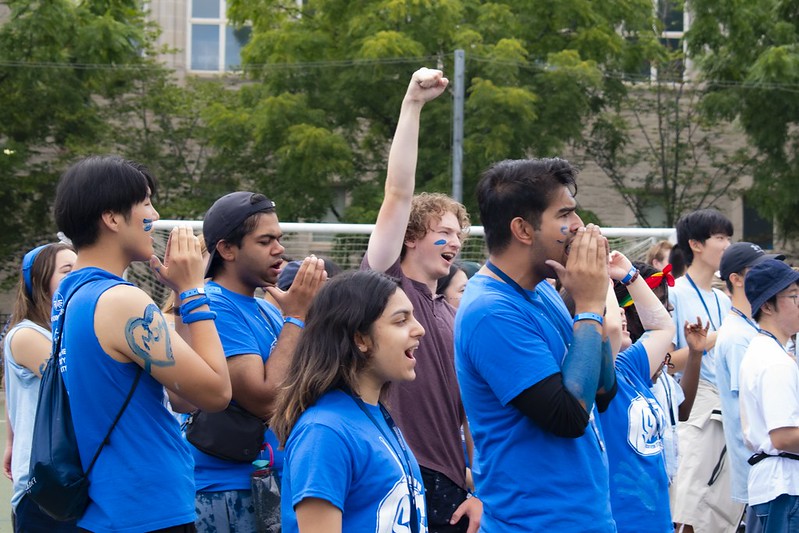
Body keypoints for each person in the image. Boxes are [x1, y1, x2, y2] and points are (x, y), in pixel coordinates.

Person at [53, 155, 232, 532]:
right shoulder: (121, 300)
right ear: (113, 218)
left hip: (108, 506)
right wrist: (194, 290)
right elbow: (217, 392)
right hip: (147, 508)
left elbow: (185, 397)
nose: (155, 213)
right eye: (146, 202)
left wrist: (180, 302)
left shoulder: (70, 296)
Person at [455, 158, 617, 531]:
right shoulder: (489, 311)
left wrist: (584, 302)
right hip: (534, 524)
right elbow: (569, 416)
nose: (578, 227)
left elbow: (605, 391)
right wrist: (591, 307)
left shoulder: (544, 289)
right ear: (523, 230)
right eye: (565, 214)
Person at [362, 68, 480, 533]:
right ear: (410, 237)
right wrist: (412, 104)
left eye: (460, 235)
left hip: (453, 484)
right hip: (396, 473)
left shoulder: (453, 313)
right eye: (443, 233)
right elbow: (398, 193)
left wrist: (479, 487)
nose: (454, 242)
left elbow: (471, 411)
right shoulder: (386, 284)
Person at [191, 191, 326, 532]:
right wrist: (296, 315)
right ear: (227, 249)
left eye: (279, 239)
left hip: (272, 483)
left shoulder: (266, 306)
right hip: (226, 491)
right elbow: (264, 397)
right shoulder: (213, 304)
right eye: (265, 241)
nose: (279, 249)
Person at [274, 270, 428, 532]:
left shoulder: (374, 413)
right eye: (401, 321)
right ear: (360, 339)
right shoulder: (324, 431)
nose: (420, 330)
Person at [667, 208, 741, 533]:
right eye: (720, 237)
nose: (727, 245)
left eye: (729, 237)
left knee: (718, 511)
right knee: (687, 506)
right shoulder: (674, 293)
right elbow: (666, 361)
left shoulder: (724, 301)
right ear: (696, 244)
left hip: (723, 408)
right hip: (692, 408)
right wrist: (712, 339)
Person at [3, 242, 77, 532]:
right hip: (48, 485)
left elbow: (14, 395)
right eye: (67, 270)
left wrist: (11, 442)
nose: (77, 276)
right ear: (41, 284)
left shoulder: (60, 331)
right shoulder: (26, 335)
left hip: (69, 479)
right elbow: (75, 384)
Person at [716, 242, 784, 532]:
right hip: (763, 472)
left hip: (772, 472)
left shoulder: (750, 328)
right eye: (758, 268)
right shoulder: (737, 336)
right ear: (737, 279)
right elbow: (764, 405)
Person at [739, 259, 799, 532]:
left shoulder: (767, 351)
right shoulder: (775, 360)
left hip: (776, 485)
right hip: (784, 488)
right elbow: (783, 436)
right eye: (794, 297)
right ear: (767, 305)